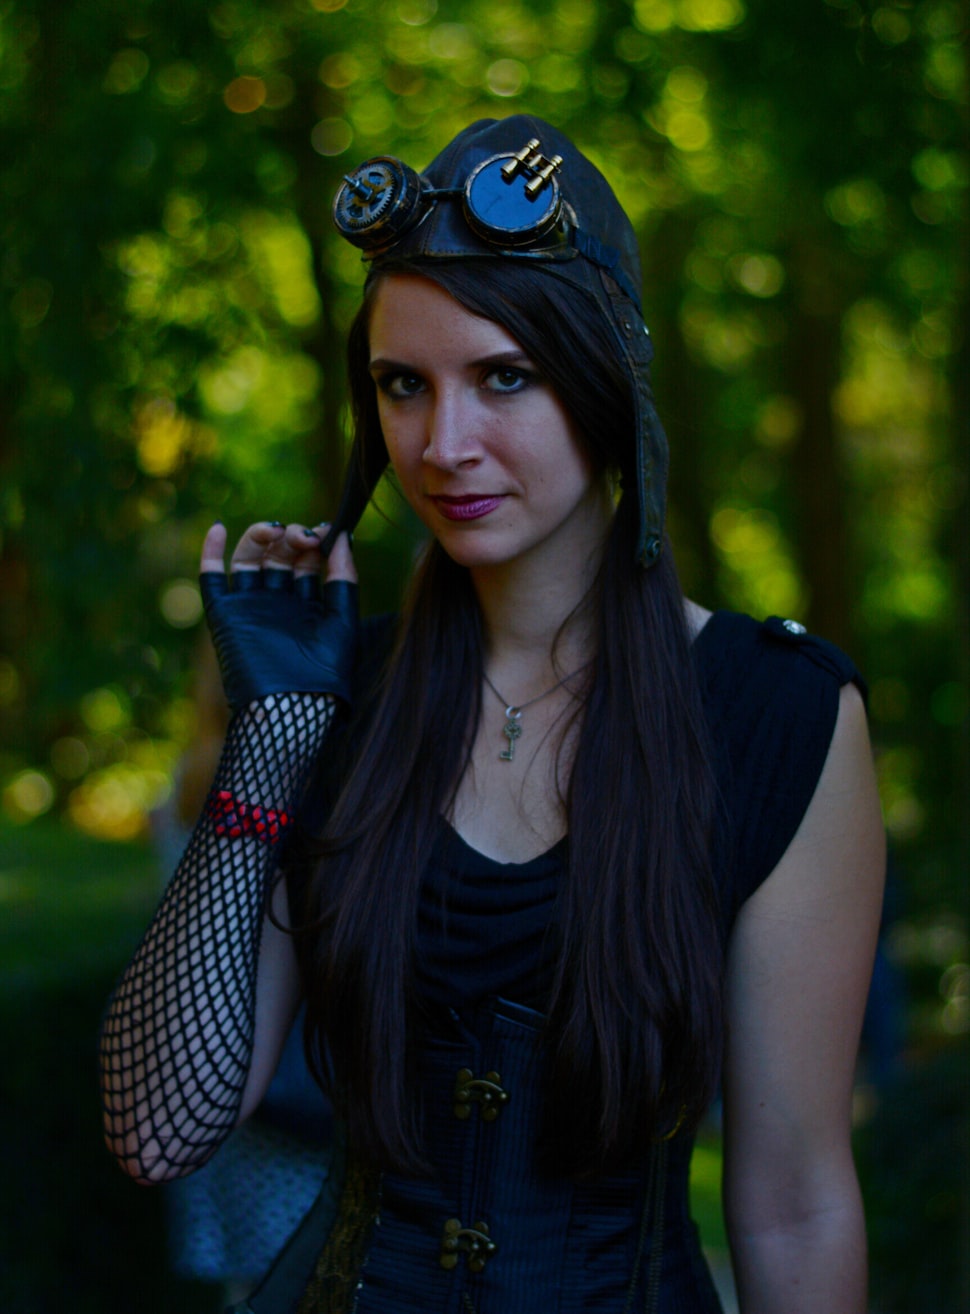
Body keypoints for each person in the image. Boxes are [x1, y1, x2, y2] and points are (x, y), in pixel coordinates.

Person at [99, 116, 886, 1314]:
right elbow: (159, 1128)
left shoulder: (779, 713)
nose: (443, 445)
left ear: (602, 381)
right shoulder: (338, 702)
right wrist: (271, 736)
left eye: (503, 377)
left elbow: (796, 1202)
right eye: (402, 386)